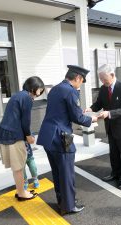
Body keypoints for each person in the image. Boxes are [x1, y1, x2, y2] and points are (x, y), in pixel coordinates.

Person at [37, 65, 98, 215]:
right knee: (67, 172)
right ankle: (68, 206)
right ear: (77, 78)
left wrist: (78, 112)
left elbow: (63, 111)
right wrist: (93, 119)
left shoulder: (56, 89)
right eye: (81, 81)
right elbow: (77, 117)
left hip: (47, 135)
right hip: (61, 136)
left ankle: (62, 201)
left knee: (57, 172)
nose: (81, 84)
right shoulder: (71, 91)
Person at [85, 64, 121, 189]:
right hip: (110, 126)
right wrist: (90, 108)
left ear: (112, 75)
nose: (102, 81)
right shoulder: (103, 88)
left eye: (104, 79)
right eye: (100, 79)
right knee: (113, 152)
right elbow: (99, 103)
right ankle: (115, 172)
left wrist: (109, 113)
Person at [0, 76, 45, 201]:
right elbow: (25, 121)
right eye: (40, 89)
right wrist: (29, 137)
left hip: (5, 133)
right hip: (13, 136)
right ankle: (22, 193)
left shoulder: (18, 95)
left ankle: (20, 190)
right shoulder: (27, 98)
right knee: (18, 167)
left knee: (16, 167)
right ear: (34, 88)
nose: (40, 93)